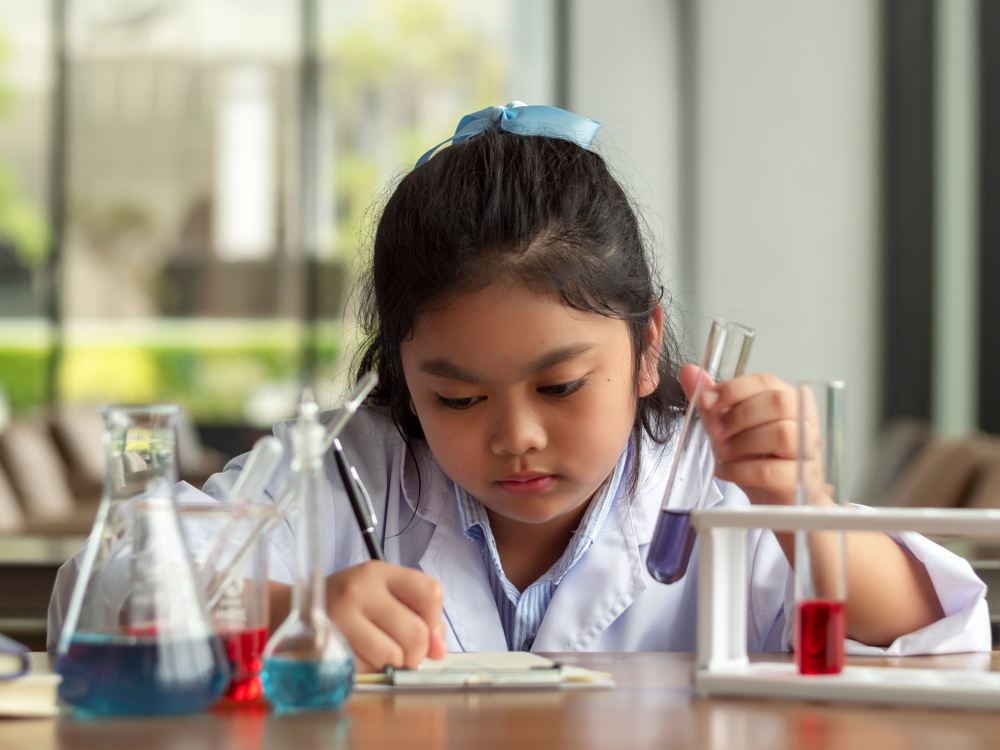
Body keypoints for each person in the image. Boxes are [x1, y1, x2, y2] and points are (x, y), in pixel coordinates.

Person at [50, 104, 990, 669]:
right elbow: (101, 596)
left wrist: (800, 506)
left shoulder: (710, 478)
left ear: (648, 342)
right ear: (400, 375)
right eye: (456, 398)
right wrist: (288, 614)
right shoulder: (344, 470)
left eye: (564, 385)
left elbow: (944, 638)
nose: (517, 437)